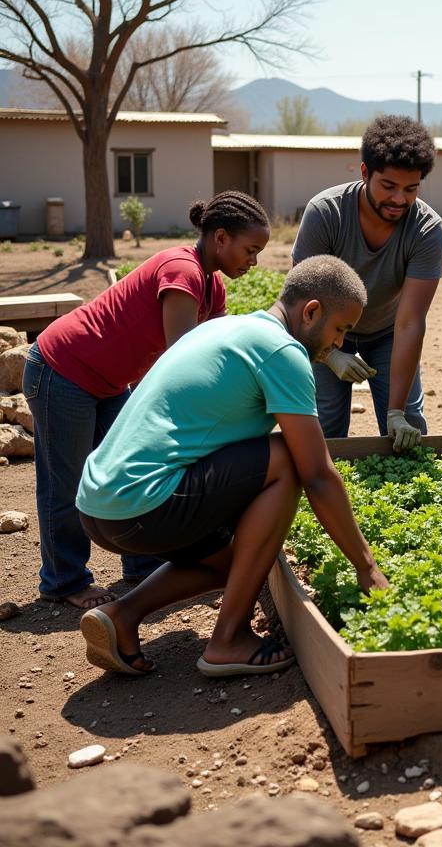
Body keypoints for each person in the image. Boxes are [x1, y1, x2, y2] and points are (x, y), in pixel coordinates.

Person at [75, 255, 388, 677]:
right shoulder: (281, 351)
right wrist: (365, 565)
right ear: (311, 311)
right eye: (340, 330)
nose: (337, 344)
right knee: (288, 459)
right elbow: (317, 472)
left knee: (235, 560)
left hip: (98, 508)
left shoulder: (227, 328)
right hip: (142, 507)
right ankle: (229, 640)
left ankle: (123, 615)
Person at [23, 191, 270, 611]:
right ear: (221, 238)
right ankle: (63, 580)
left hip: (108, 382)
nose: (254, 262)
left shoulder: (212, 288)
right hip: (62, 370)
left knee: (131, 469)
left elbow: (222, 350)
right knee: (67, 483)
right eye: (250, 250)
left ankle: (141, 565)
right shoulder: (183, 271)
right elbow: (183, 362)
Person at [291, 115, 442, 453]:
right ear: (364, 173)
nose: (399, 200)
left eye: (411, 189)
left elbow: (410, 322)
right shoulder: (326, 213)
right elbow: (300, 304)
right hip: (327, 329)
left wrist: (396, 411)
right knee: (327, 427)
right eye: (388, 186)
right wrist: (330, 354)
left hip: (389, 330)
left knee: (409, 428)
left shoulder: (426, 229)